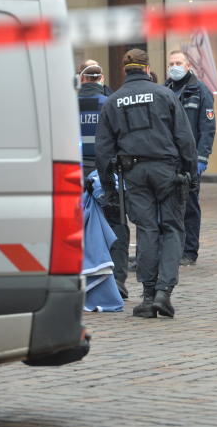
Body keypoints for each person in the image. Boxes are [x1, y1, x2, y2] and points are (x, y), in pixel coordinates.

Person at [95, 49, 198, 319]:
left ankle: (149, 294)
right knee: (173, 228)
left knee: (147, 229)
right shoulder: (166, 95)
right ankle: (164, 292)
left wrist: (108, 188)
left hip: (135, 172)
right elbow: (185, 138)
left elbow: (103, 151)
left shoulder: (113, 101)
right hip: (168, 170)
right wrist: (191, 174)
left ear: (124, 70)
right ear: (148, 68)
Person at [78, 61, 130, 299]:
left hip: (75, 172)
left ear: (82, 79)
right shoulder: (111, 103)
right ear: (101, 79)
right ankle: (117, 279)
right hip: (108, 172)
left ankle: (83, 277)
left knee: (79, 228)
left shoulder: (67, 104)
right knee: (117, 222)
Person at [164, 50, 217, 266]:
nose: (174, 67)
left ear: (188, 66)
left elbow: (208, 127)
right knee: (170, 205)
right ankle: (172, 247)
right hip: (168, 158)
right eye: (171, 63)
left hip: (190, 158)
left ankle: (189, 250)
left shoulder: (200, 91)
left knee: (190, 205)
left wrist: (202, 158)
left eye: (178, 63)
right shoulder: (165, 90)